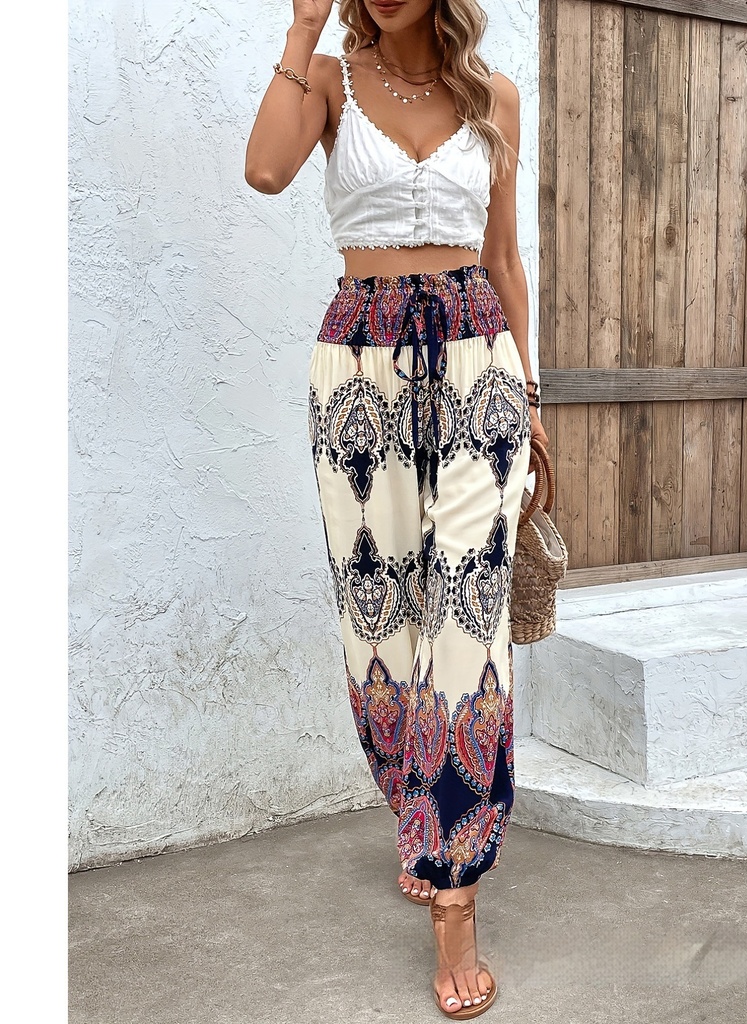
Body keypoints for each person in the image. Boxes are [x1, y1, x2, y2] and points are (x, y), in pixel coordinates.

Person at [245, 1, 547, 1017]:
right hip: (359, 373)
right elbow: (265, 171)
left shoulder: (495, 96)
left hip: (478, 365)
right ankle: (419, 806)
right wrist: (301, 31)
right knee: (379, 624)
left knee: (465, 623)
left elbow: (503, 259)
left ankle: (455, 891)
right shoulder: (331, 84)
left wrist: (531, 397)